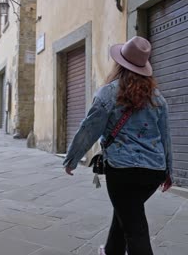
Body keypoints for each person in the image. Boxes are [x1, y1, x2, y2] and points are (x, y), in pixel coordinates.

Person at [63, 36, 173, 255]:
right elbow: (165, 137)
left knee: (136, 228)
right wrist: (168, 171)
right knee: (126, 211)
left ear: (119, 64)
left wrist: (72, 159)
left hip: (122, 171)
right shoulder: (158, 99)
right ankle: (112, 250)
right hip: (153, 172)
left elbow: (89, 129)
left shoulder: (107, 94)